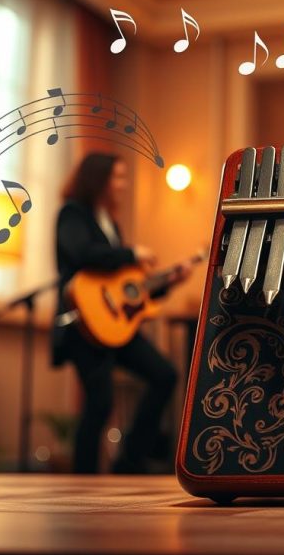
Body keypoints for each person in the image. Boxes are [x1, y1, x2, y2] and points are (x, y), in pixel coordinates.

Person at [52, 153, 189, 474]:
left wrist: (168, 282)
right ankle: (82, 479)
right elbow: (82, 253)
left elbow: (124, 287)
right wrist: (131, 252)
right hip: (83, 324)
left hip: (115, 326)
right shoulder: (71, 214)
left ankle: (129, 462)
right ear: (97, 179)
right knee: (100, 402)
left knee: (164, 375)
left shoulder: (109, 221)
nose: (122, 185)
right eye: (117, 177)